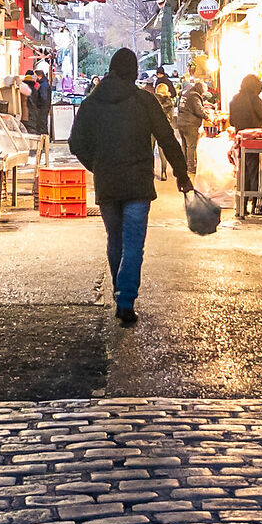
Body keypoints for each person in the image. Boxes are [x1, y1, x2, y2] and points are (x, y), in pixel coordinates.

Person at [68, 47, 192, 324]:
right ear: (134, 72)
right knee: (133, 242)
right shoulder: (144, 102)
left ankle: (118, 290)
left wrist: (96, 165)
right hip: (137, 184)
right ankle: (125, 300)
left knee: (116, 240)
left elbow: (76, 143)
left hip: (108, 184)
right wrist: (182, 174)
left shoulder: (91, 103)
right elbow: (167, 139)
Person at [228, 73, 262, 210]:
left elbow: (232, 121)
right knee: (257, 172)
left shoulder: (234, 99)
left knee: (244, 171)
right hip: (255, 141)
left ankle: (242, 206)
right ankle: (257, 204)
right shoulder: (254, 99)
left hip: (241, 141)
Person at [171, 69, 211, 189]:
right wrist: (208, 117)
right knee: (191, 146)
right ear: (200, 89)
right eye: (203, 92)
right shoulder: (194, 96)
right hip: (190, 124)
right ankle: (190, 167)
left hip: (181, 122)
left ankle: (184, 165)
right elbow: (198, 110)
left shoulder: (186, 93)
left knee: (184, 145)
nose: (203, 94)